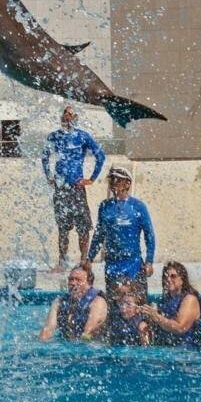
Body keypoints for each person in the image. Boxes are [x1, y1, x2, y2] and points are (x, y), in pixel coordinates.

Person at [41, 106, 106, 272]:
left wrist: (91, 179)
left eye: (70, 114)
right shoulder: (54, 136)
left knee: (83, 227)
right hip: (61, 188)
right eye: (65, 114)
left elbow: (100, 156)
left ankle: (84, 261)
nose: (67, 117)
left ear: (76, 117)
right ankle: (62, 262)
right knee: (63, 228)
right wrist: (49, 175)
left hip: (77, 188)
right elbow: (45, 156)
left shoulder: (82, 136)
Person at [83, 166, 155, 298]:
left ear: (127, 183)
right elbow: (99, 234)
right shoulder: (105, 206)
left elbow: (149, 235)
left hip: (133, 264)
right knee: (113, 301)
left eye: (117, 179)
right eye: (111, 179)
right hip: (112, 265)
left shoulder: (138, 206)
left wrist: (149, 261)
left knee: (137, 301)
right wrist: (90, 258)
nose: (113, 182)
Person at [140, 261, 201, 348]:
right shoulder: (165, 301)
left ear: (182, 280)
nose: (168, 279)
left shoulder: (190, 299)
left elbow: (180, 328)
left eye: (173, 276)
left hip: (187, 353)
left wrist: (156, 317)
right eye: (165, 276)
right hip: (165, 351)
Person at [39, 265, 108, 342]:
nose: (73, 283)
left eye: (78, 280)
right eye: (71, 279)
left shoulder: (97, 303)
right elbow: (48, 329)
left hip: (92, 345)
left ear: (89, 284)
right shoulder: (59, 302)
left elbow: (87, 334)